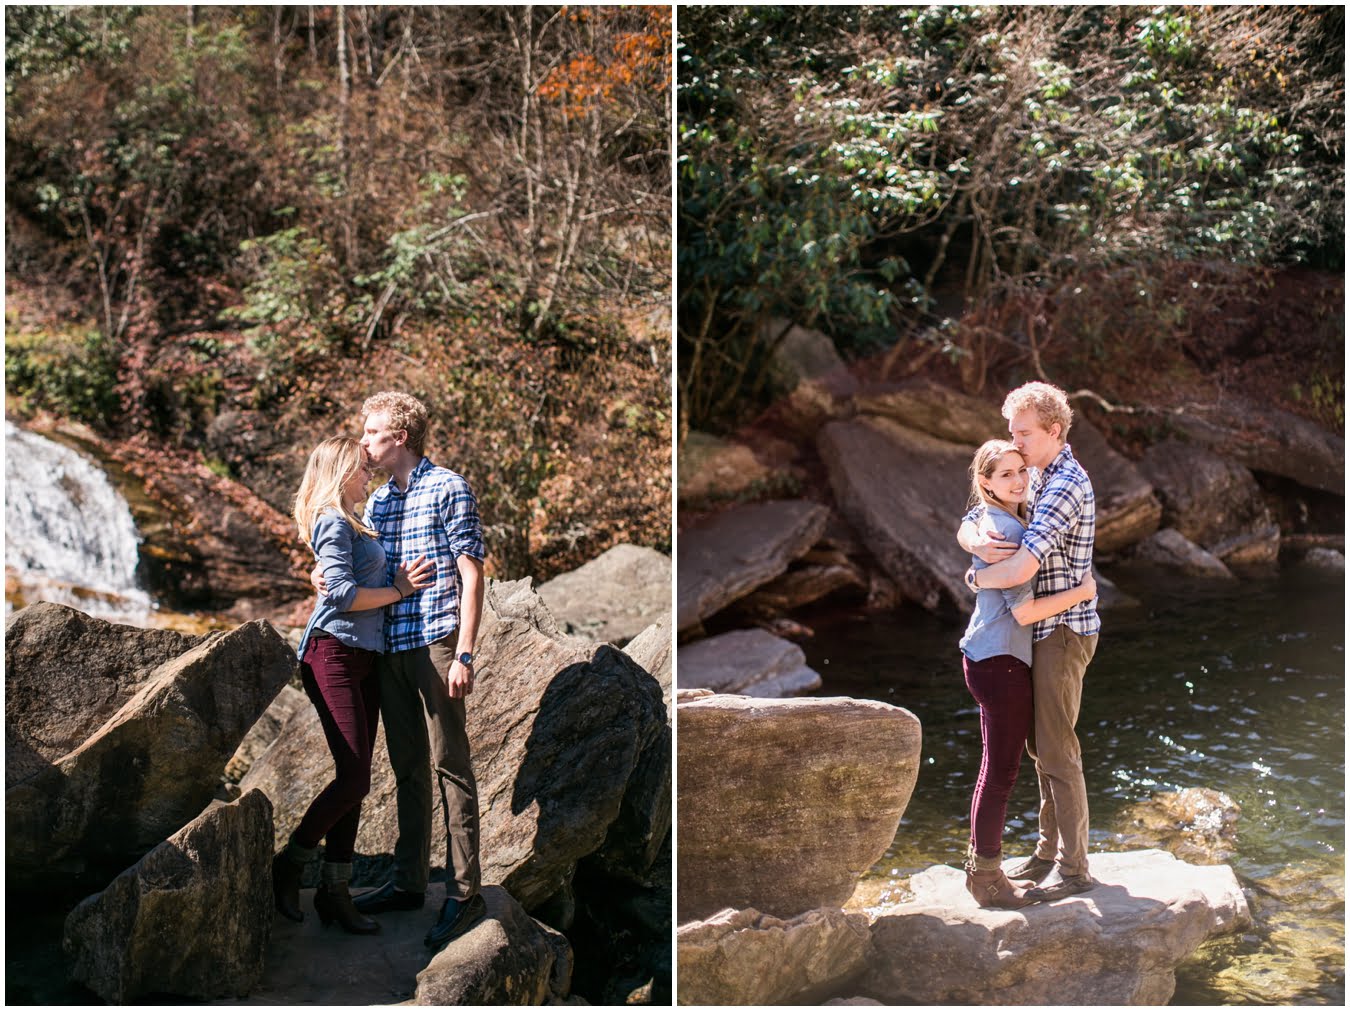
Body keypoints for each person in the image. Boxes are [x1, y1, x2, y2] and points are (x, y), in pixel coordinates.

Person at [315, 391, 488, 952]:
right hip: (389, 646)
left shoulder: (449, 487)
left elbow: (471, 573)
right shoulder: (379, 501)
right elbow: (354, 569)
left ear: (402, 439)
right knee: (407, 767)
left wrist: (464, 653)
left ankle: (465, 894)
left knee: (451, 764)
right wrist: (318, 581)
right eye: (364, 434)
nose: (363, 442)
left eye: (372, 434)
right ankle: (410, 882)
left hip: (437, 642)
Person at [272, 437, 435, 933]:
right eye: (363, 469)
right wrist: (400, 590)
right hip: (333, 653)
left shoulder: (354, 521)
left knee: (356, 779)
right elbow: (342, 595)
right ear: (342, 471)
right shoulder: (331, 520)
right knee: (355, 778)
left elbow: (337, 578)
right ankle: (291, 861)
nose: (370, 476)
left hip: (364, 658)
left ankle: (335, 892)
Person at [958, 381, 1100, 903]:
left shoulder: (1064, 485)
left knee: (1057, 751)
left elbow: (1022, 565)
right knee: (1040, 747)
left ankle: (1075, 867)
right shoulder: (1035, 471)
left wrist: (975, 579)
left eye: (1023, 433)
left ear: (1053, 432)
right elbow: (979, 511)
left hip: (1062, 630)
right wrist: (970, 539)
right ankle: (1045, 852)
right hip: (1036, 629)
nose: (1014, 442)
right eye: (1011, 431)